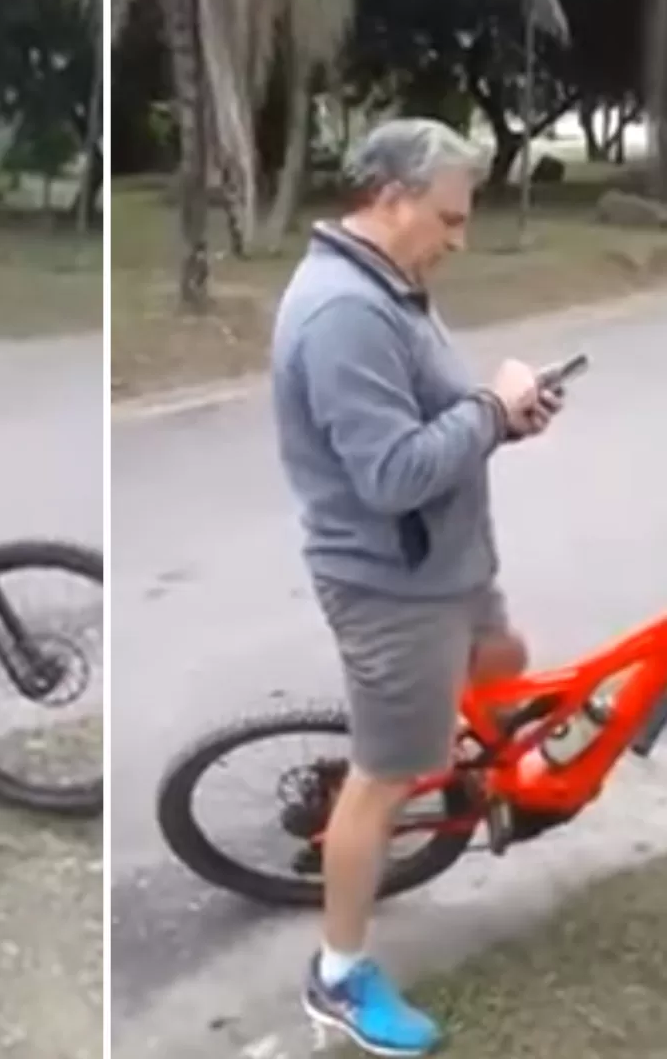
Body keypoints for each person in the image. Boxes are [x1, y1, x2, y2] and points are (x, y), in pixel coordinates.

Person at [270, 117, 562, 1056]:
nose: (457, 238)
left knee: (504, 666)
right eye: (447, 217)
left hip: (450, 563)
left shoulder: (394, 281)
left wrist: (508, 419)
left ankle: (480, 785)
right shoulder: (343, 312)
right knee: (385, 779)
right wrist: (491, 407)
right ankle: (338, 979)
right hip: (392, 585)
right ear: (388, 198)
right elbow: (390, 475)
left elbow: (432, 416)